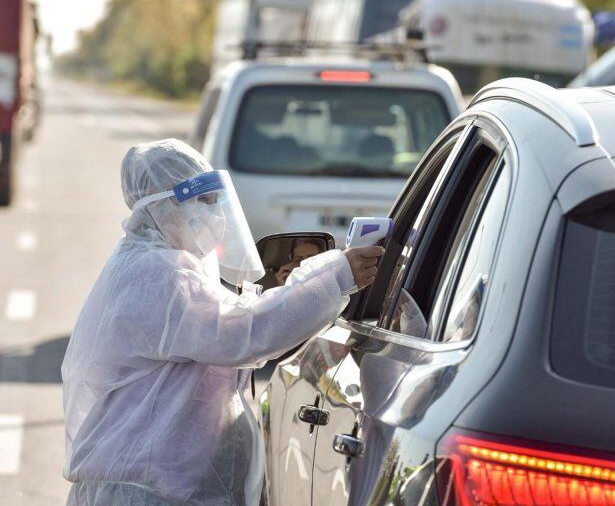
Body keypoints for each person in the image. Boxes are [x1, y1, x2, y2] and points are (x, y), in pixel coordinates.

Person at [61, 139, 383, 505]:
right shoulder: (157, 275)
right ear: (160, 204)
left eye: (216, 202)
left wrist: (286, 293)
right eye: (202, 202)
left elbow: (225, 321)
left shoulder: (152, 266)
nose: (214, 215)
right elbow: (244, 333)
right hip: (144, 494)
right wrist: (337, 274)